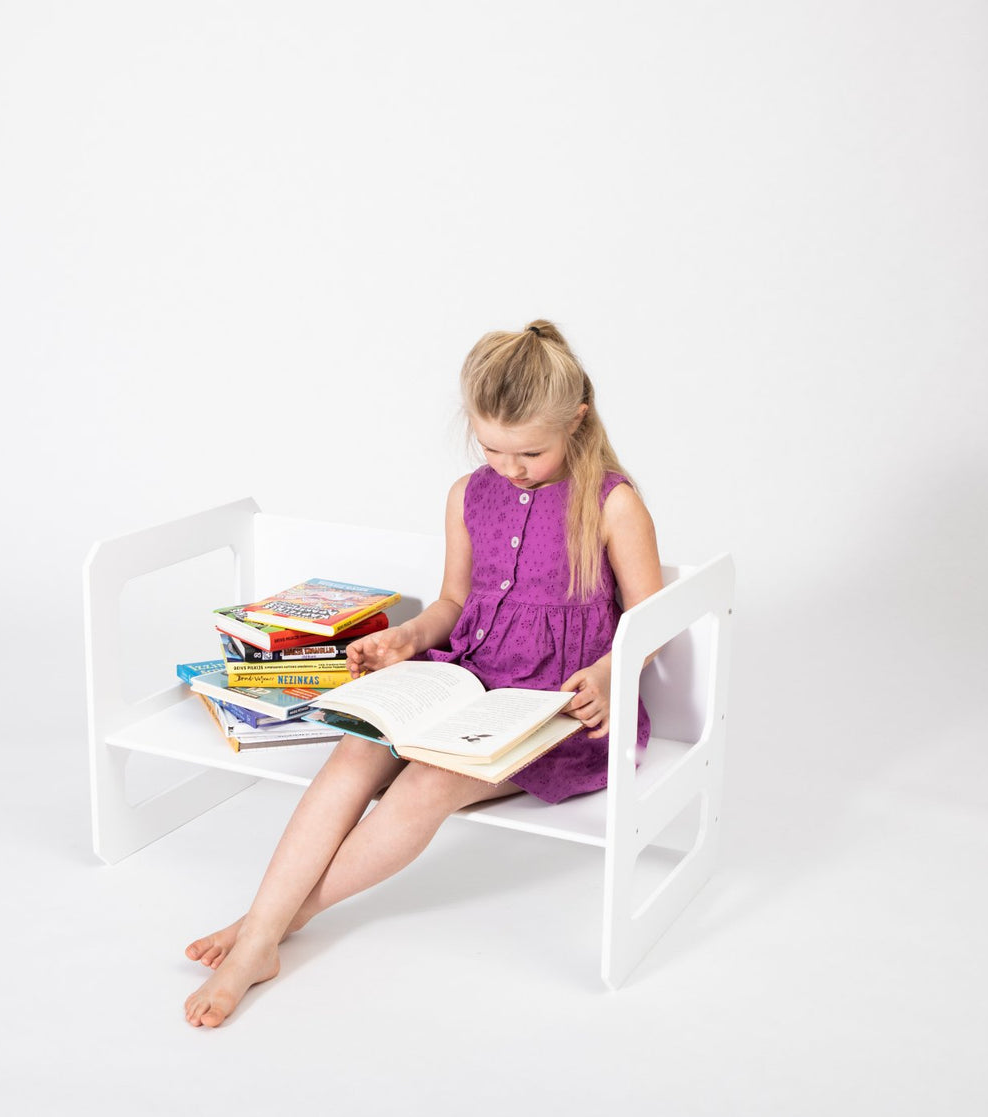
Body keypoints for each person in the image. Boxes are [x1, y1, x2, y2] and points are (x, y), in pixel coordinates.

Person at [183, 320, 663, 1028]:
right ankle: (265, 930)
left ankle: (262, 932)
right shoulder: (468, 495)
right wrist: (407, 637)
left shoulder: (611, 502)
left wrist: (608, 672)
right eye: (493, 448)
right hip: (462, 679)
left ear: (578, 422)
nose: (512, 468)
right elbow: (452, 602)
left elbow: (651, 619)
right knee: (356, 747)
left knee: (426, 782)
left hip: (555, 714)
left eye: (531, 451)